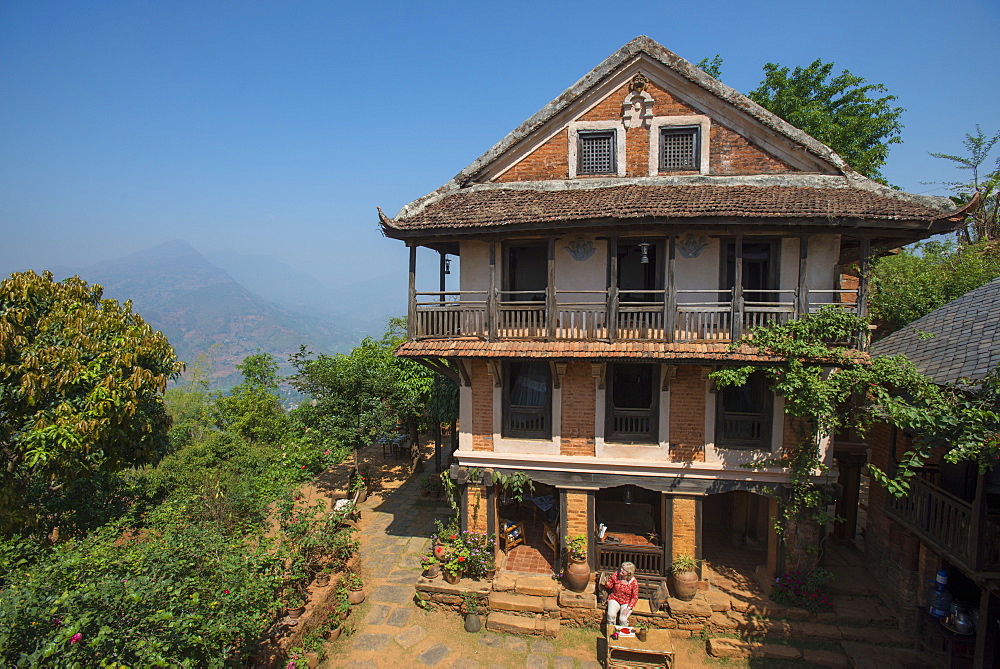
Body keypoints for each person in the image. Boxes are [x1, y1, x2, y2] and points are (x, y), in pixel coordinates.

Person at [604, 561, 639, 628]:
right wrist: (606, 583)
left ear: (629, 573)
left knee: (622, 619)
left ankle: (623, 634)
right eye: (621, 568)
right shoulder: (616, 575)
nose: (621, 570)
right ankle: (611, 631)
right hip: (615, 598)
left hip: (626, 602)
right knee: (611, 615)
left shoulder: (634, 582)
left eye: (624, 570)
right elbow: (610, 586)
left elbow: (634, 597)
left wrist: (628, 608)